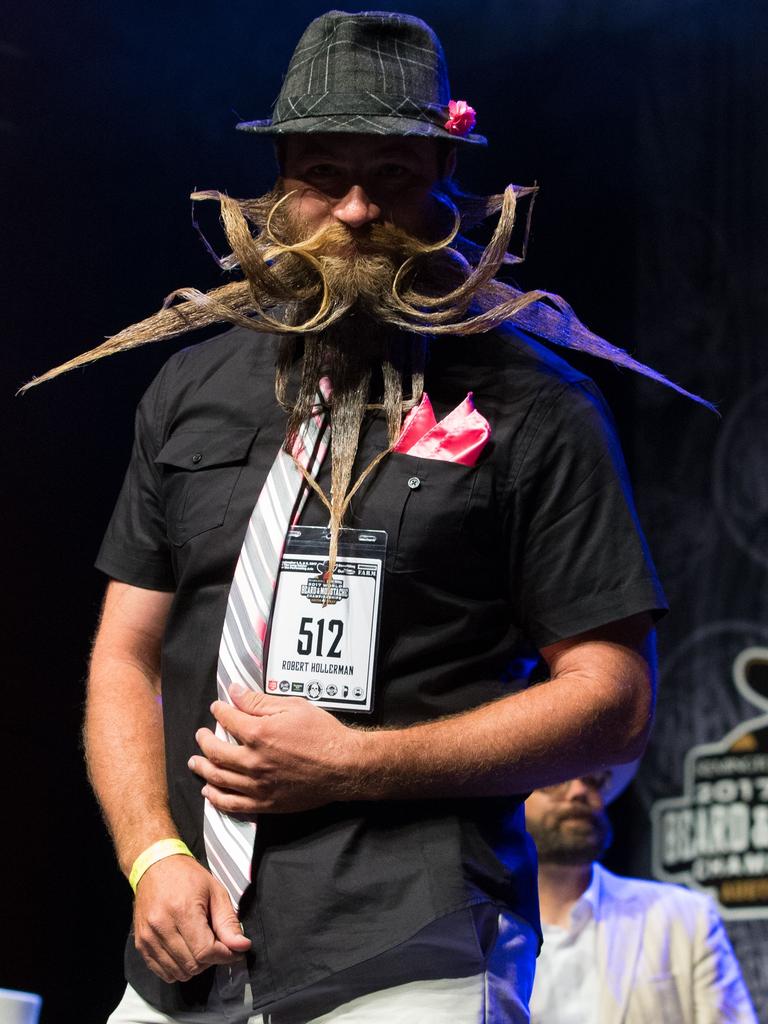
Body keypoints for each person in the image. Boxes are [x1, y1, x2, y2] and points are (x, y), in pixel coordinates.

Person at [31, 10, 680, 1024]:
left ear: (447, 182)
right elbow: (126, 652)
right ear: (280, 179)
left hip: (405, 943)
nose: (358, 208)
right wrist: (151, 851)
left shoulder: (538, 406)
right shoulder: (192, 389)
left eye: (397, 175)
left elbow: (614, 696)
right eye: (325, 174)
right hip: (187, 951)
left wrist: (356, 763)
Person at [525, 772, 757, 1023]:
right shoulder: (486, 927)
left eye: (593, 780)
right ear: (511, 799)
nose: (579, 791)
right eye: (555, 781)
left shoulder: (685, 916)